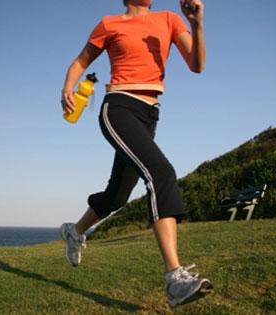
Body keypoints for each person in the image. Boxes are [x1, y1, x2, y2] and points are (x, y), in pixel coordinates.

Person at [60, 0, 212, 307]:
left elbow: (196, 65)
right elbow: (81, 60)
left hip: (149, 114)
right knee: (161, 173)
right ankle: (175, 279)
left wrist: (196, 24)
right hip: (118, 108)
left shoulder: (170, 19)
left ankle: (74, 232)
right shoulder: (110, 23)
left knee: (117, 195)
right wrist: (68, 86)